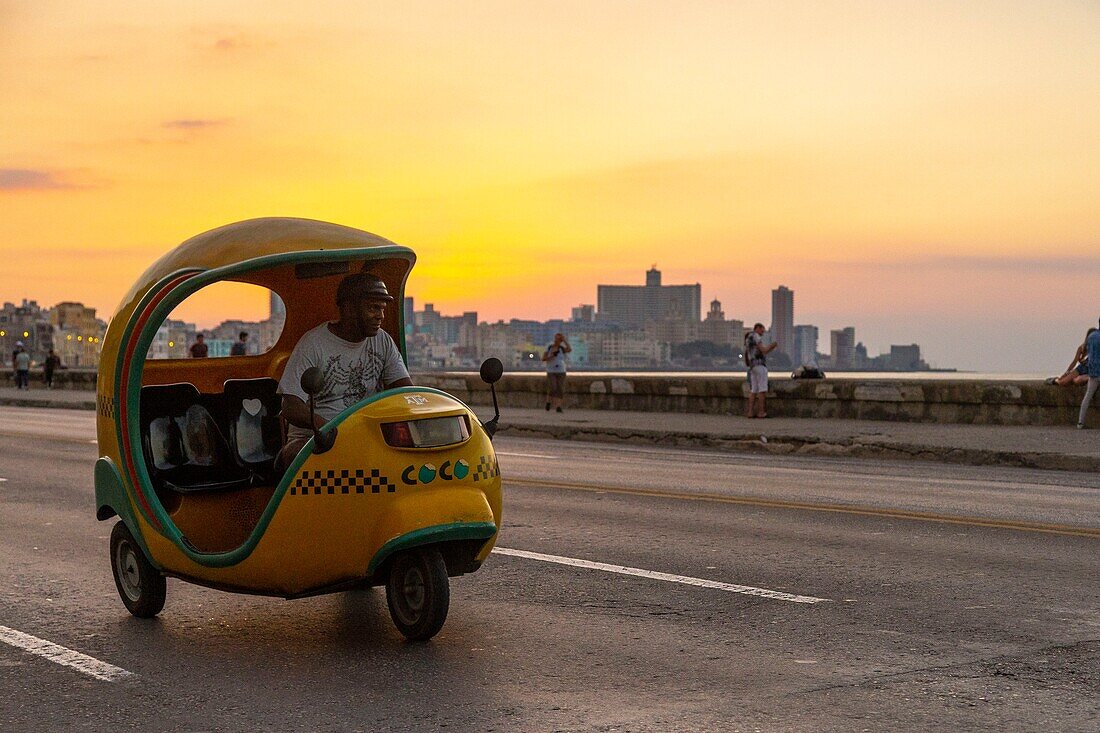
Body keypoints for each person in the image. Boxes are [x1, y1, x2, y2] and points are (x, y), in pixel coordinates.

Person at [276, 273, 413, 469]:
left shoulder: (382, 341)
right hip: (314, 438)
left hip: (367, 435)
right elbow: (290, 406)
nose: (380, 316)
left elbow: (404, 391)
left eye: (382, 309)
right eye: (373, 308)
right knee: (301, 457)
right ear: (348, 308)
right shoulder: (314, 343)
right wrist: (331, 429)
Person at [744, 323, 777, 418]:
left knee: (753, 390)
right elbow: (764, 350)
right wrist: (773, 346)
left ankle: (750, 412)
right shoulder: (756, 336)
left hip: (752, 367)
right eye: (762, 330)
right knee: (762, 390)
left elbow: (747, 353)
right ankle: (761, 412)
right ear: (757, 328)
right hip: (760, 365)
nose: (763, 332)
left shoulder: (748, 338)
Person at [1077, 319, 1100, 429]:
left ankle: (1080, 422)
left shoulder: (1091, 337)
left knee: (1087, 397)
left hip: (1093, 372)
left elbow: (1087, 353)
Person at [542, 332, 571, 413]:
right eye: (557, 339)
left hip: (561, 371)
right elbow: (543, 358)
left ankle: (558, 406)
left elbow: (569, 349)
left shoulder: (561, 348)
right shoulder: (549, 347)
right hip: (551, 371)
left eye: (559, 339)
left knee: (560, 389)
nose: (558, 341)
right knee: (553, 387)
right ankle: (548, 402)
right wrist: (551, 356)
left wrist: (564, 340)